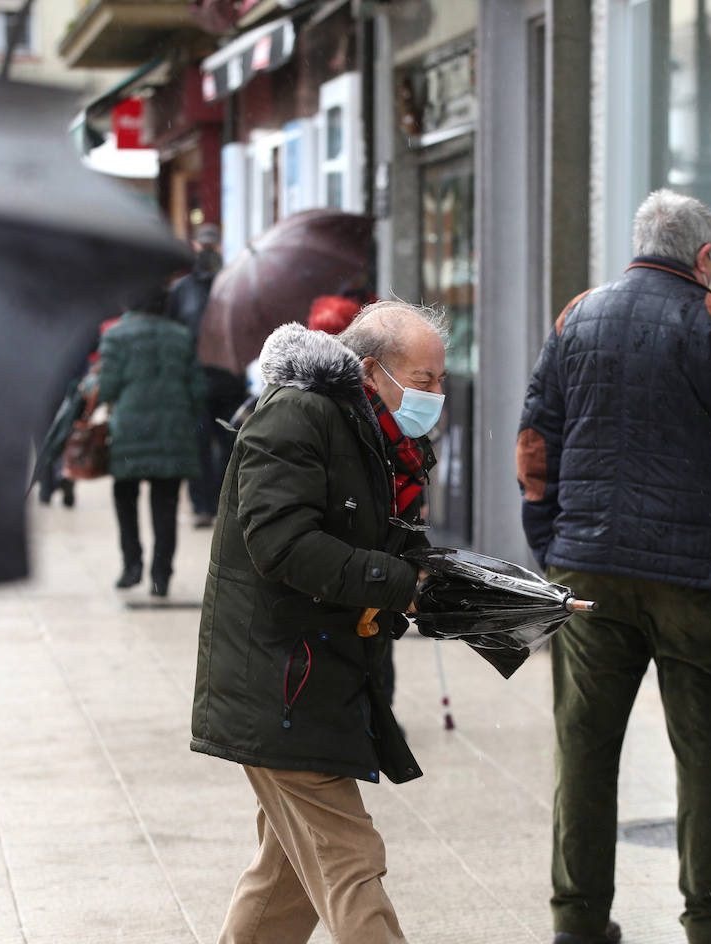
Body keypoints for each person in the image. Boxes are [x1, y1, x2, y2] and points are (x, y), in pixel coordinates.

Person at [517, 189, 711, 944]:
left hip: (586, 574)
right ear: (705, 257)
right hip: (697, 581)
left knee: (582, 748)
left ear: (639, 243)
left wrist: (551, 543)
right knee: (705, 751)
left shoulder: (578, 317)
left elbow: (535, 442)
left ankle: (577, 919)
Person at [191, 301, 446, 944]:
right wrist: (398, 583)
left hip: (320, 673)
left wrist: (433, 580)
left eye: (442, 381)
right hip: (281, 678)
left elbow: (387, 539)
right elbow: (281, 544)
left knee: (284, 884)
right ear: (370, 372)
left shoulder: (387, 441)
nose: (436, 396)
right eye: (424, 381)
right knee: (349, 863)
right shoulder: (298, 417)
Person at [95, 292, 205, 597]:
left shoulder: (115, 335)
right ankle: (161, 576)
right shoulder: (181, 336)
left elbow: (106, 388)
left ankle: (131, 567)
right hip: (173, 432)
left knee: (125, 497)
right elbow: (198, 388)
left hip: (130, 431)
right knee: (166, 505)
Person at [167, 223, 246, 528]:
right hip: (195, 381)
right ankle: (202, 506)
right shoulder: (181, 290)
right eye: (205, 247)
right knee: (198, 446)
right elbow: (172, 332)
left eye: (214, 247)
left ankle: (223, 504)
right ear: (195, 247)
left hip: (230, 379)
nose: (209, 252)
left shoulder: (234, 287)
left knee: (231, 445)